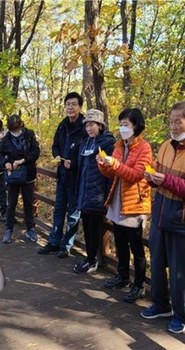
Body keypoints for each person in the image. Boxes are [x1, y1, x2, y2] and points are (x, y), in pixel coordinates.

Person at [140, 101, 185, 334]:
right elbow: (157, 173)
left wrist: (166, 180)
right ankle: (160, 304)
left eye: (178, 122)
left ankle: (181, 315)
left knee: (181, 271)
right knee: (158, 264)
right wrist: (151, 178)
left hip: (183, 222)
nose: (173, 126)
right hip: (160, 216)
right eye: (171, 122)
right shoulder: (165, 146)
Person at [98, 108, 152, 303]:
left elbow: (136, 175)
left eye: (126, 125)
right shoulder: (119, 145)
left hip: (134, 204)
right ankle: (122, 276)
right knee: (120, 243)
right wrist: (104, 164)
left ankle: (139, 285)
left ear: (136, 126)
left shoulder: (144, 148)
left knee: (136, 247)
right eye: (120, 124)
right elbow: (113, 173)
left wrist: (115, 164)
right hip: (118, 202)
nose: (122, 128)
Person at [38, 92, 87, 258]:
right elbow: (55, 145)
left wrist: (74, 163)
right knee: (59, 209)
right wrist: (57, 156)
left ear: (80, 106)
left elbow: (88, 153)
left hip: (77, 177)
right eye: (68, 104)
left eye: (74, 104)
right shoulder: (63, 125)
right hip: (62, 175)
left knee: (73, 213)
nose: (70, 107)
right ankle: (54, 242)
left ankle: (66, 246)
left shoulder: (85, 127)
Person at [73, 109, 115, 274]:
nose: (89, 128)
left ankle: (92, 260)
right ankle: (89, 258)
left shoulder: (107, 145)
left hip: (98, 195)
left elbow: (111, 173)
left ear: (100, 125)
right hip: (84, 193)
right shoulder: (85, 143)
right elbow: (81, 169)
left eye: (93, 125)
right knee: (87, 228)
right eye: (87, 125)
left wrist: (107, 197)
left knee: (95, 229)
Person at [0, 114, 40, 244]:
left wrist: (22, 160)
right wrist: (5, 163)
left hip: (28, 173)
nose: (15, 132)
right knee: (11, 203)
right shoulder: (7, 138)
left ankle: (30, 229)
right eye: (12, 130)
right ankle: (8, 229)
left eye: (16, 129)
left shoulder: (29, 134)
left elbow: (36, 152)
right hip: (13, 175)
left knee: (28, 202)